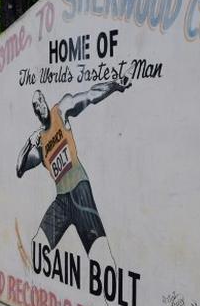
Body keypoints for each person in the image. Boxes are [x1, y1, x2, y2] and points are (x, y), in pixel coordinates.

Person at [15, 78, 131, 255]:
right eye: (36, 104)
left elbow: (90, 95)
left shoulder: (60, 111)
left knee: (100, 255)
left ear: (45, 101)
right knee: (39, 246)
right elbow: (19, 169)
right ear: (35, 111)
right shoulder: (39, 145)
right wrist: (28, 143)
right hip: (62, 200)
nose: (40, 105)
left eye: (41, 100)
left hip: (80, 191)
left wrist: (114, 85)